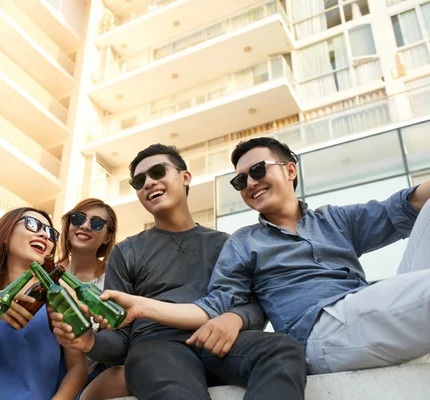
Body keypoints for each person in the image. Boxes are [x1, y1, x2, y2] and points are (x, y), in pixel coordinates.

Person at [103, 137, 430, 377]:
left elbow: (399, 208)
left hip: (366, 306)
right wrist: (142, 306)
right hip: (322, 330)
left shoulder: (334, 220)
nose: (250, 182)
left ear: (290, 170)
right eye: (241, 179)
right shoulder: (244, 243)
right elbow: (216, 305)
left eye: (258, 169)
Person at [51, 144, 307, 400]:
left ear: (185, 177)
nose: (149, 183)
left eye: (158, 172)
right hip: (155, 349)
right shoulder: (126, 251)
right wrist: (90, 343)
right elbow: (119, 337)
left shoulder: (226, 243)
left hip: (220, 343)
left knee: (282, 349)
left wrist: (235, 319)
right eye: (139, 181)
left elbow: (252, 303)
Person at [0, 207, 88, 400]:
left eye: (50, 233)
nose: (44, 235)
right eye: (33, 225)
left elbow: (78, 368)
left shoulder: (60, 295)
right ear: (6, 233)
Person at [56, 198, 128, 400]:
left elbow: (119, 339)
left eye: (97, 223)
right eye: (78, 219)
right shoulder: (46, 276)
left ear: (107, 237)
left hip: (93, 377)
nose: (85, 226)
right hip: (46, 370)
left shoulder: (113, 280)